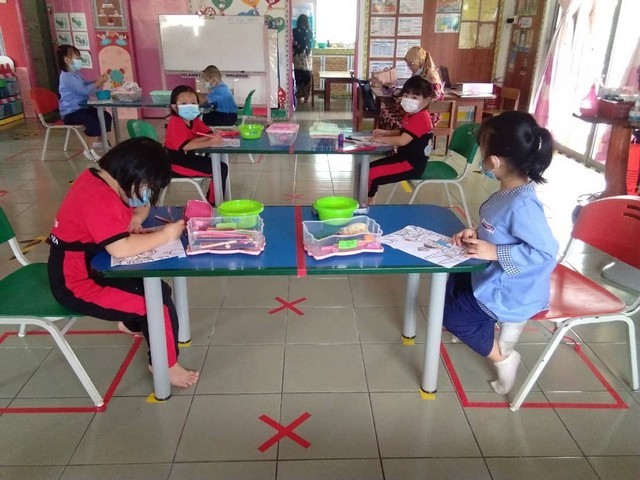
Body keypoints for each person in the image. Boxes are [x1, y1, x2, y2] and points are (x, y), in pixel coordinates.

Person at [47, 137, 199, 388]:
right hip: (77, 282)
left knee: (159, 290)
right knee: (157, 305)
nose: (148, 192)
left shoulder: (103, 180)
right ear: (132, 173)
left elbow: (142, 206)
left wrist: (135, 220)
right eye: (148, 185)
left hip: (97, 265)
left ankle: (130, 322)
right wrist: (165, 235)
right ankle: (165, 365)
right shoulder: (98, 197)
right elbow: (121, 248)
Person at [444, 111, 558, 395]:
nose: (481, 158)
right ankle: (492, 327)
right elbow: (498, 228)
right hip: (493, 272)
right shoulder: (507, 191)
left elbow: (545, 253)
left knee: (455, 317)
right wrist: (475, 233)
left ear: (494, 161)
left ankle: (504, 359)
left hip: (512, 288)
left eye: (482, 152)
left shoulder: (522, 205)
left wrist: (494, 250)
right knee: (452, 276)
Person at [367, 75, 434, 204]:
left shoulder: (421, 117)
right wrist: (385, 133)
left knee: (371, 174)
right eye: (406, 95)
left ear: (425, 101)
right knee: (368, 169)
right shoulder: (411, 114)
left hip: (411, 164)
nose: (408, 99)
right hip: (402, 158)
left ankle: (367, 206)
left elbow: (402, 140)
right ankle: (369, 203)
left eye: (415, 97)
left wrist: (380, 140)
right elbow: (405, 132)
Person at [164, 85, 227, 205]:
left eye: (193, 103)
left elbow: (207, 133)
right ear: (174, 107)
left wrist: (214, 135)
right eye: (184, 103)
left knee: (221, 167)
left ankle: (215, 200)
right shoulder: (175, 122)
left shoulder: (194, 120)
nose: (189, 106)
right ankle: (213, 204)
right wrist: (209, 142)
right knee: (219, 169)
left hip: (188, 159)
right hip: (175, 164)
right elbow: (185, 146)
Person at [57, 44, 112, 162]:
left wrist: (97, 81)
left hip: (82, 108)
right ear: (67, 60)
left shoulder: (75, 74)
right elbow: (83, 91)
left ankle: (100, 142)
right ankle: (88, 150)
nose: (79, 60)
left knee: (105, 116)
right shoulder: (66, 76)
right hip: (71, 112)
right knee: (93, 120)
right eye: (77, 57)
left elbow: (85, 85)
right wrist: (98, 82)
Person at [377, 46, 444, 131]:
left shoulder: (431, 78)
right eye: (408, 64)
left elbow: (431, 100)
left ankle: (399, 137)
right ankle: (384, 136)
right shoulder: (418, 74)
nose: (409, 67)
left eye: (411, 64)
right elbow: (411, 91)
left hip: (427, 112)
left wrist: (408, 100)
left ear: (420, 61)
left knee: (390, 115)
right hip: (415, 108)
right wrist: (402, 96)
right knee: (385, 111)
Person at [292, 14, 314, 104]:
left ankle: (298, 96)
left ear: (298, 22)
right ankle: (306, 97)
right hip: (307, 58)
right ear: (307, 22)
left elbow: (292, 44)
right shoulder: (310, 32)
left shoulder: (294, 31)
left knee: (297, 76)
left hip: (297, 56)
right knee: (307, 77)